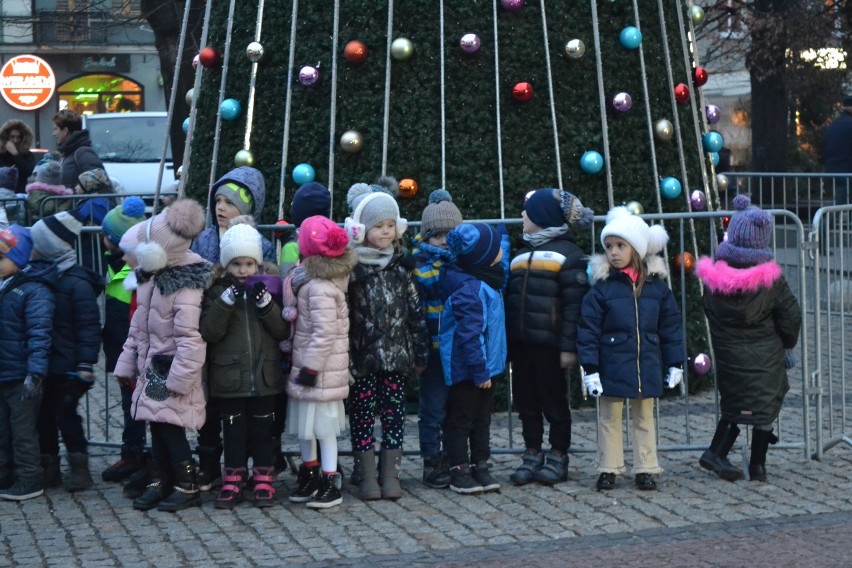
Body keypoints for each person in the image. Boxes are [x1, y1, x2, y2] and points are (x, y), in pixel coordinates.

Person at [695, 194, 801, 483]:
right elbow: (791, 317)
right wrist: (786, 343)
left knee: (735, 402)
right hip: (765, 354)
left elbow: (709, 310)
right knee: (764, 405)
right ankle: (758, 467)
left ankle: (717, 452)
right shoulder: (772, 282)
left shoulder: (713, 279)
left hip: (729, 354)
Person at [577, 207, 685, 491]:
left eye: (620, 246)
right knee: (609, 417)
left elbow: (670, 328)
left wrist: (676, 363)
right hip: (612, 362)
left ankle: (646, 467)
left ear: (635, 249)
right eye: (609, 246)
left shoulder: (657, 288)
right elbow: (588, 330)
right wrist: (590, 369)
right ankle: (609, 467)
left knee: (644, 417)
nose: (613, 252)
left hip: (645, 361)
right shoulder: (601, 290)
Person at [113, 199, 210, 512]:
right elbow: (138, 328)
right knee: (155, 424)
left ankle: (186, 482)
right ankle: (161, 478)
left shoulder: (185, 285)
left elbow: (190, 339)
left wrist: (179, 380)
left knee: (170, 426)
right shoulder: (151, 278)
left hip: (171, 370)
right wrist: (127, 363)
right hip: (151, 367)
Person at [190, 166, 275, 489]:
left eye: (230, 202)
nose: (220, 207)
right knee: (209, 404)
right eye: (218, 200)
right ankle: (209, 462)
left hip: (246, 340)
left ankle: (259, 466)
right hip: (210, 329)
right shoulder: (204, 240)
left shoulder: (259, 245)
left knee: (248, 412)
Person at [345, 181, 430, 501]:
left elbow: (414, 313)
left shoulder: (401, 268)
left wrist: (420, 353)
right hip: (362, 356)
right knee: (363, 416)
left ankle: (390, 473)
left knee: (394, 415)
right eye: (378, 226)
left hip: (395, 355)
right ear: (362, 230)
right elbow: (345, 315)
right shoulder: (352, 269)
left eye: (390, 225)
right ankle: (366, 474)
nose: (384, 232)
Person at [505, 188, 593, 486]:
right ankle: (532, 452)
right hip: (522, 343)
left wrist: (569, 347)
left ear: (541, 217)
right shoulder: (519, 254)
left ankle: (558, 454)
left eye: (527, 212)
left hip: (550, 346)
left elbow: (573, 307)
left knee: (554, 401)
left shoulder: (567, 255)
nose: (521, 216)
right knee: (526, 402)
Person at [200, 223, 289, 509]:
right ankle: (233, 478)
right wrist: (225, 303)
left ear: (258, 264)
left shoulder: (268, 290)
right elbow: (209, 331)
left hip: (264, 377)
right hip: (230, 377)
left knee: (264, 433)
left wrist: (267, 306)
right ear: (227, 266)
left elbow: (281, 331)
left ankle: (263, 477)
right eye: (236, 264)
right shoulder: (216, 292)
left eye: (249, 264)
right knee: (234, 433)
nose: (243, 270)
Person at [285, 215, 357, 509]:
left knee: (323, 428)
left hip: (318, 371)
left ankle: (330, 479)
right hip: (308, 368)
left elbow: (325, 333)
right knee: (306, 426)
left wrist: (310, 367)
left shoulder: (320, 287)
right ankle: (310, 472)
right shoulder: (313, 282)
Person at [30, 210, 104, 493]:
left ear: (49, 249)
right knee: (43, 417)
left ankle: (79, 467)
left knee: (66, 416)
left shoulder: (76, 283)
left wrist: (86, 363)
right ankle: (49, 466)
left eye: (38, 244)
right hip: (46, 364)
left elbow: (88, 326)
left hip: (70, 367)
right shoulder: (43, 277)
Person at [439, 223, 507, 494]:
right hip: (468, 368)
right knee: (462, 419)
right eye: (496, 248)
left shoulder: (485, 276)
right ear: (483, 256)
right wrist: (480, 371)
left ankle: (481, 463)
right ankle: (458, 468)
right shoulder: (470, 287)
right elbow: (470, 335)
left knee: (482, 418)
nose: (501, 251)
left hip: (485, 366)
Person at [411, 189, 464, 488]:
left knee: (456, 409)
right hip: (432, 351)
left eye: (450, 234)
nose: (443, 241)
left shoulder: (465, 263)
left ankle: (454, 456)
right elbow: (416, 312)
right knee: (432, 409)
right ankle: (431, 460)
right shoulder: (420, 267)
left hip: (458, 350)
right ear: (427, 237)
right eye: (436, 235)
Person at [0, 226, 55, 501]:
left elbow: (39, 333)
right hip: (3, 371)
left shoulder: (34, 291)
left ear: (19, 259)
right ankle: (6, 474)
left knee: (23, 432)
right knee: (2, 429)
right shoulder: (6, 285)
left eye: (1, 258)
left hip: (21, 375)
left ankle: (30, 479)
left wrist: (35, 373)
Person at [99, 197, 148, 485]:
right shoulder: (115, 264)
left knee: (138, 406)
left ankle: (138, 455)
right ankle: (132, 452)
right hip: (121, 350)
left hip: (135, 352)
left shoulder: (134, 273)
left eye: (106, 234)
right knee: (128, 405)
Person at [51, 109, 105, 189]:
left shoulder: (83, 152)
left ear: (65, 131)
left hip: (77, 201)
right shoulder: (68, 153)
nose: (53, 134)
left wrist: (82, 187)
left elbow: (99, 176)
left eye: (56, 129)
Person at [823, 96, 852, 205]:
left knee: (841, 205)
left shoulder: (834, 124)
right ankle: (823, 223)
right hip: (847, 170)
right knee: (840, 206)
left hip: (833, 169)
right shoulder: (849, 124)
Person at [0, 119, 36, 193]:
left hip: (20, 194)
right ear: (6, 138)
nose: (15, 140)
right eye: (12, 137)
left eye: (18, 137)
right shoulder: (1, 154)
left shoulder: (27, 155)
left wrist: (15, 154)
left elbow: (28, 171)